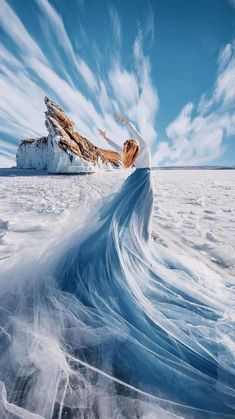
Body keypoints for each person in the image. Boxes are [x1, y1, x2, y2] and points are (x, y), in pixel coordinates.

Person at [0, 115, 235, 418]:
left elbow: (137, 139)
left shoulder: (143, 152)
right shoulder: (134, 156)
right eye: (128, 146)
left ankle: (137, 250)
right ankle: (135, 249)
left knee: (131, 228)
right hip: (136, 189)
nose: (129, 147)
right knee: (124, 228)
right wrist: (108, 136)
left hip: (139, 191)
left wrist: (127, 123)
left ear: (134, 147)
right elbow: (116, 149)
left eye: (129, 145)